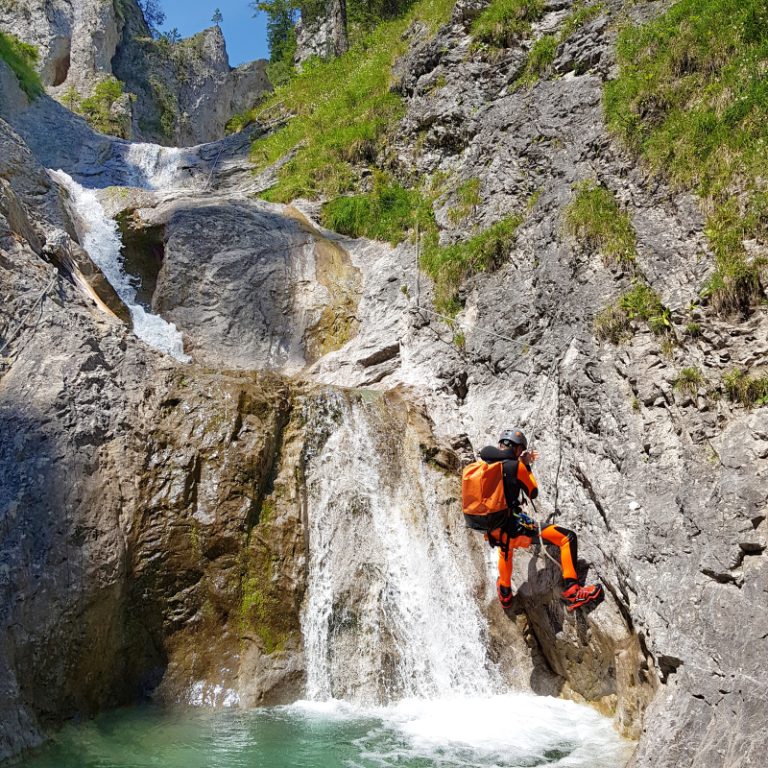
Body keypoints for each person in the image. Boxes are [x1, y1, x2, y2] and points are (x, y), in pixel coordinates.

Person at [477, 428, 603, 611]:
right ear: (517, 449)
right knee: (567, 537)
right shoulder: (515, 466)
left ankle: (505, 594)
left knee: (506, 548)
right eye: (520, 450)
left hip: (493, 528)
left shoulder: (485, 465)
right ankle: (574, 591)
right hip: (512, 527)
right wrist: (525, 466)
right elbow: (532, 491)